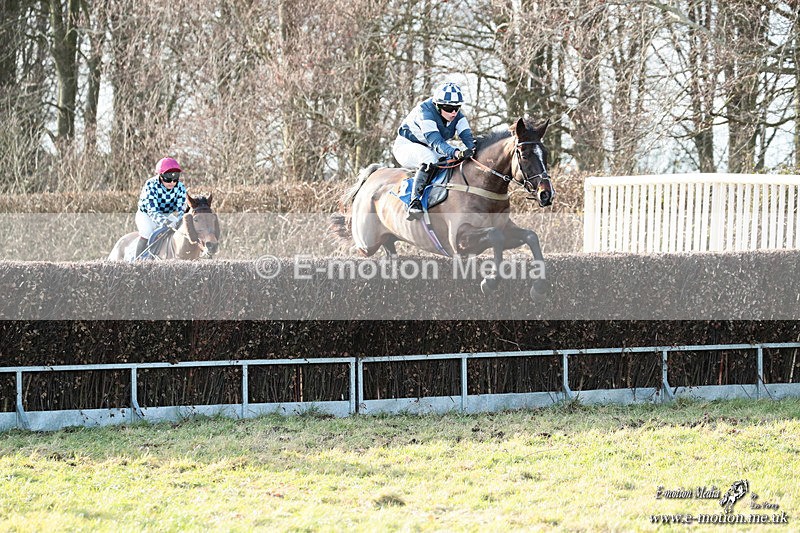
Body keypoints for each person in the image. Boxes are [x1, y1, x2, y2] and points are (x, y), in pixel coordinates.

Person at [393, 81, 476, 220]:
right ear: (437, 105)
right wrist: (455, 152)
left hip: (430, 146)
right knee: (429, 159)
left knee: (456, 153)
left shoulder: (458, 116)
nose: (454, 112)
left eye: (457, 107)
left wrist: (473, 148)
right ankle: (415, 202)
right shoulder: (425, 112)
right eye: (449, 108)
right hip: (407, 145)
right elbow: (436, 142)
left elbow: (468, 138)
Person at [134, 156, 188, 259]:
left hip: (167, 215)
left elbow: (182, 208)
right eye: (168, 178)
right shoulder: (151, 185)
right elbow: (152, 211)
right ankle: (137, 261)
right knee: (147, 232)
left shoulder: (180, 187)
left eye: (175, 178)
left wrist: (181, 220)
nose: (172, 182)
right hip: (146, 215)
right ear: (160, 175)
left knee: (180, 230)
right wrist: (166, 222)